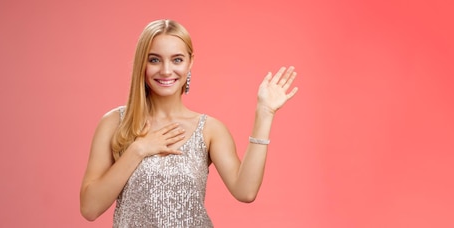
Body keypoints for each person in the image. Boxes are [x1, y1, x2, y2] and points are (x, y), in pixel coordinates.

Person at [79, 19, 298, 227]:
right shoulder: (114, 123)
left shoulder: (209, 129)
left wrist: (264, 114)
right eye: (154, 59)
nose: (166, 70)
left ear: (190, 62)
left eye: (177, 59)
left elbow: (245, 191)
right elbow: (90, 208)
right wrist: (138, 149)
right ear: (141, 63)